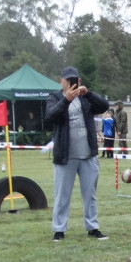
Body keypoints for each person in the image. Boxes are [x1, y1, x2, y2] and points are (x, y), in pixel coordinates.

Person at [45, 66, 110, 241]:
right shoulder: (54, 98)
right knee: (62, 195)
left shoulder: (85, 98)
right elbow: (50, 116)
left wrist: (88, 94)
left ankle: (93, 227)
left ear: (79, 81)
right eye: (68, 80)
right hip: (65, 157)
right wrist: (66, 100)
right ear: (61, 81)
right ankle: (59, 230)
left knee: (90, 195)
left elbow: (104, 106)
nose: (71, 83)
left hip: (88, 155)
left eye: (74, 80)